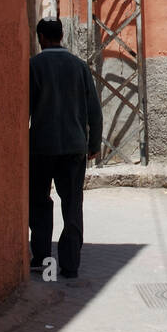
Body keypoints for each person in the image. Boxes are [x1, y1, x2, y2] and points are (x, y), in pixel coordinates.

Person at [29, 17, 103, 280]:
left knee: (39, 201)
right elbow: (94, 110)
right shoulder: (80, 67)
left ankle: (42, 258)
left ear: (40, 37)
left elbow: (23, 110)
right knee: (72, 204)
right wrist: (93, 145)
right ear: (62, 36)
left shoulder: (33, 66)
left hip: (40, 148)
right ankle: (70, 266)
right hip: (74, 148)